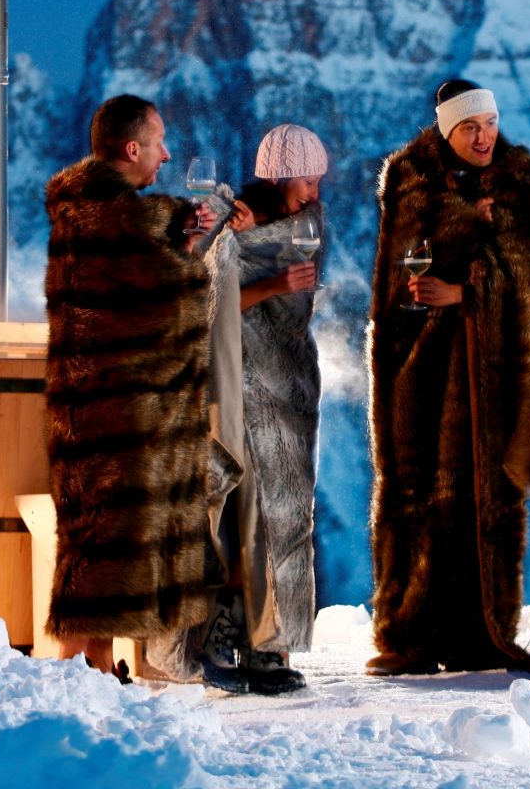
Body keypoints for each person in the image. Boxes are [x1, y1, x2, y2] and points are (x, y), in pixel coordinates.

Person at [366, 79, 530, 676]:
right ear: (447, 130)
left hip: (492, 371)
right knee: (422, 498)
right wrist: (464, 226)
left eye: (489, 122)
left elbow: (529, 280)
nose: (483, 136)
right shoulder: (410, 181)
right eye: (469, 127)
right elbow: (397, 275)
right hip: (422, 368)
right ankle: (412, 632)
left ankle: (481, 630)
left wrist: (468, 287)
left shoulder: (520, 184)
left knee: (485, 498)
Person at [42, 93, 218, 677]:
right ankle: (77, 673)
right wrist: (191, 260)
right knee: (110, 542)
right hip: (118, 412)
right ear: (132, 147)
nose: (167, 155)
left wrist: (173, 235)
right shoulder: (115, 220)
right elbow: (170, 307)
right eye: (160, 142)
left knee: (96, 540)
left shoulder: (83, 211)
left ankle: (94, 665)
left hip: (89, 408)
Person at [151, 123, 328, 695]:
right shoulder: (229, 221)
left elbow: (293, 290)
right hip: (234, 384)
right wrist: (268, 275)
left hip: (284, 390)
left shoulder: (296, 225)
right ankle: (220, 637)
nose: (314, 191)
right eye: (306, 179)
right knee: (235, 519)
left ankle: (267, 644)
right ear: (279, 176)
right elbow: (212, 296)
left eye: (319, 179)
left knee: (278, 521)